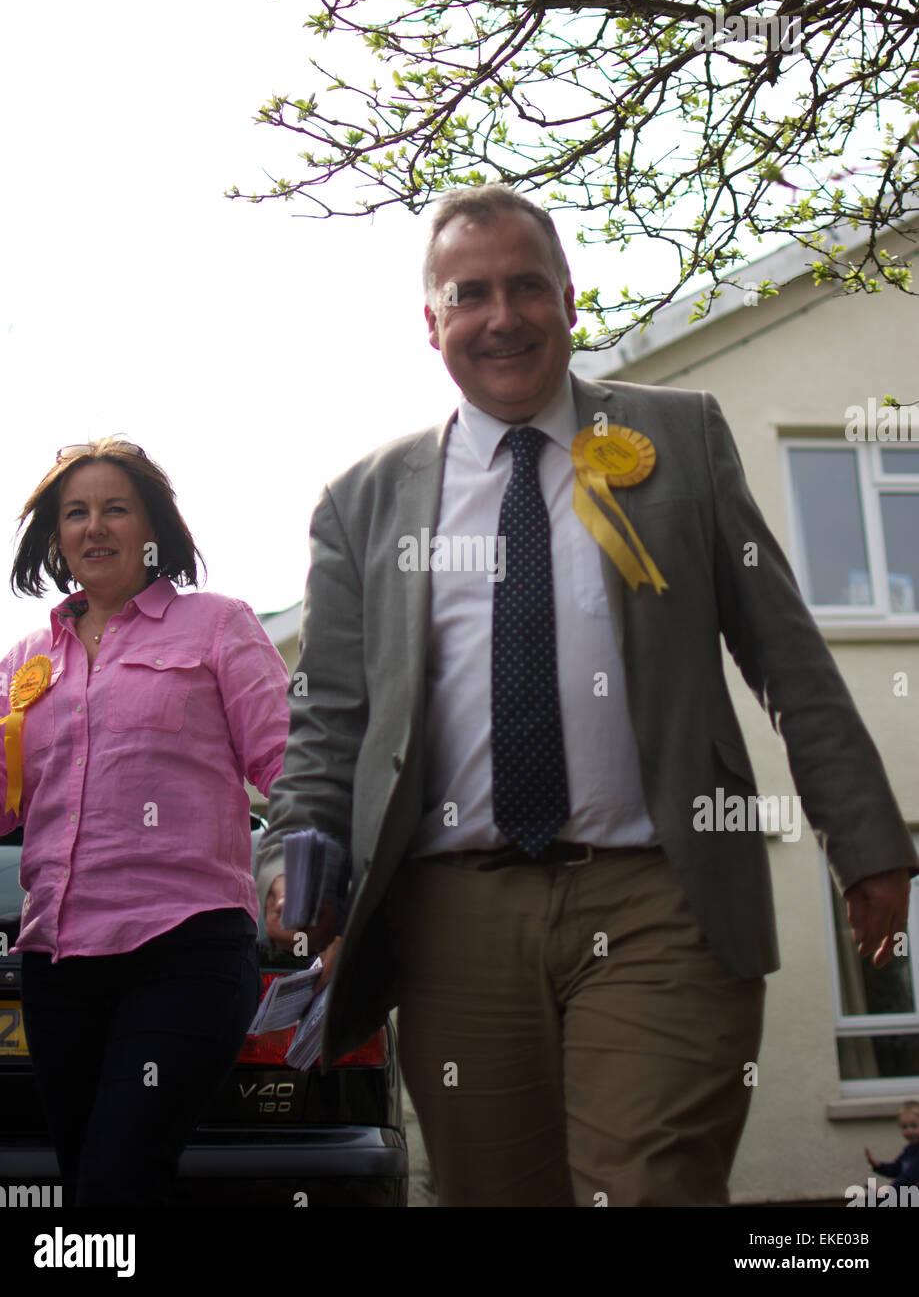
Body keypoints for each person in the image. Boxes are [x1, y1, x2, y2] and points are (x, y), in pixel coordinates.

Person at [257, 184, 916, 1207]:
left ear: (570, 299)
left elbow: (783, 655)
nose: (502, 315)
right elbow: (330, 716)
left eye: (526, 286)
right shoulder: (364, 500)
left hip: (661, 894)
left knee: (647, 1185)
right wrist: (295, 852)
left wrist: (865, 836)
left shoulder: (679, 439)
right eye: (469, 294)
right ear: (429, 323)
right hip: (452, 914)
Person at [0, 439, 290, 1206]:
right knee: (93, 1181)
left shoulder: (218, 627)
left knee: (113, 1186)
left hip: (184, 951)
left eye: (115, 508)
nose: (94, 527)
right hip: (57, 966)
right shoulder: (26, 661)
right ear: (53, 538)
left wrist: (311, 872)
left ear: (153, 526)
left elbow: (291, 761)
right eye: (74, 513)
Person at [865, 1101, 919, 1200]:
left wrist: (888, 1190)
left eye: (914, 1126)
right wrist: (878, 1165)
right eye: (904, 1127)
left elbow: (909, 1177)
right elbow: (897, 1169)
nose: (909, 1131)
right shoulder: (909, 1150)